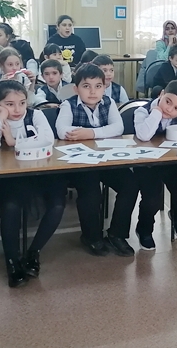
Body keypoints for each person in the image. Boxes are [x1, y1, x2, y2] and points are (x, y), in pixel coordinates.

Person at [0, 80, 62, 288]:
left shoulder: (36, 115)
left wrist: (13, 141)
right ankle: (12, 261)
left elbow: (47, 140)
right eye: (9, 104)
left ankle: (33, 252)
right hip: (11, 175)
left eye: (22, 103)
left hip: (41, 172)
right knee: (11, 207)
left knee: (57, 205)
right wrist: (1, 116)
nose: (17, 110)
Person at [56, 63, 139, 257]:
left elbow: (118, 128)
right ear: (76, 89)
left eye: (98, 86)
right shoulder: (68, 105)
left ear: (104, 87)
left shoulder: (109, 103)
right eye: (86, 86)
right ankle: (91, 237)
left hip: (107, 160)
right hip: (81, 163)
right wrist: (101, 132)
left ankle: (117, 234)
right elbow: (62, 130)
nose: (93, 91)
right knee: (91, 192)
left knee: (131, 184)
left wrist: (90, 133)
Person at [133, 80, 177, 250]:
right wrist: (156, 113)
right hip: (145, 163)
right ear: (161, 94)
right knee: (152, 198)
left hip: (169, 162)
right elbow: (144, 135)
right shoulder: (142, 111)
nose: (170, 109)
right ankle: (144, 229)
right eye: (167, 102)